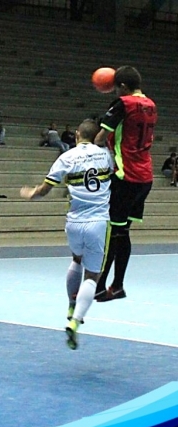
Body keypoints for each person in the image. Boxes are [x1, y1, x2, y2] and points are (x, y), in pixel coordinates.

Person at [20, 119, 114, 350]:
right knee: (93, 276)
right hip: (98, 222)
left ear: (76, 134)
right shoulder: (106, 155)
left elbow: (45, 189)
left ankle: (71, 303)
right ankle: (75, 322)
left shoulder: (66, 157)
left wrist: (31, 193)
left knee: (76, 260)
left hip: (73, 222)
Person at [93, 66, 157, 303]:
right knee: (123, 232)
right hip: (144, 177)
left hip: (125, 177)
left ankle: (98, 287)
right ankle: (117, 286)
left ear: (121, 87)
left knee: (111, 234)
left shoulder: (123, 103)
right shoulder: (151, 104)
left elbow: (100, 137)